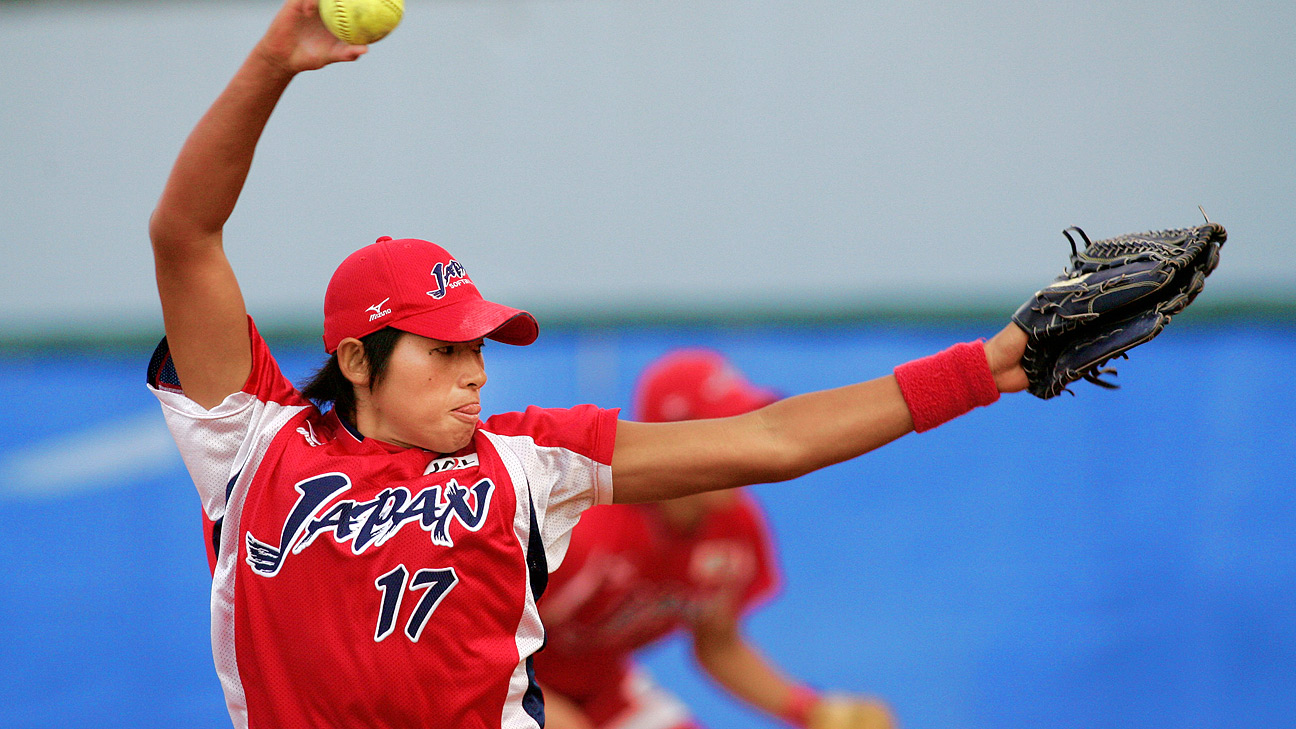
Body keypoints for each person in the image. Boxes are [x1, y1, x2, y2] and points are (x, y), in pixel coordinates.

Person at [145, 2, 1028, 728]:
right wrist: (272, 62)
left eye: (479, 347)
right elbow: (185, 239)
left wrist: (980, 371)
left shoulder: (526, 464)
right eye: (444, 347)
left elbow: (771, 438)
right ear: (356, 358)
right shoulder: (255, 445)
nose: (475, 371)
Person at [535, 349, 895, 729]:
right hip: (500, 684)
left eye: (749, 426)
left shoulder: (735, 525)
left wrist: (815, 711)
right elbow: (480, 645)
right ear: (674, 439)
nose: (745, 446)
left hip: (603, 687)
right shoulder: (586, 527)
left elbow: (718, 644)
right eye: (725, 428)